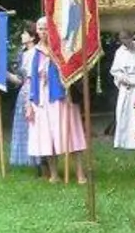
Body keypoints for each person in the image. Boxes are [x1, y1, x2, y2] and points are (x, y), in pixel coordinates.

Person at [25, 16, 88, 183]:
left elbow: (72, 69)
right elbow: (30, 79)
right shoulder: (34, 52)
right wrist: (29, 104)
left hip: (61, 95)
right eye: (40, 28)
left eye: (46, 28)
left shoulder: (63, 48)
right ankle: (54, 173)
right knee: (47, 135)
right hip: (41, 98)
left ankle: (80, 173)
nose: (43, 31)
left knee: (71, 133)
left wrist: (53, 56)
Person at [109, 29, 135, 150]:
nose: (124, 41)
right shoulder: (120, 52)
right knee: (125, 112)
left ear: (132, 37)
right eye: (122, 39)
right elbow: (115, 70)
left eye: (126, 38)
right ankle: (124, 140)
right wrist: (122, 78)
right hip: (127, 86)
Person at [8, 23, 38, 171]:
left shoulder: (36, 53)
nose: (21, 36)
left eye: (24, 33)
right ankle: (28, 159)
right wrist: (6, 74)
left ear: (32, 37)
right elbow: (20, 80)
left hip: (33, 91)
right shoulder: (23, 53)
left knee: (34, 125)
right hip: (24, 91)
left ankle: (39, 159)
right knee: (24, 126)